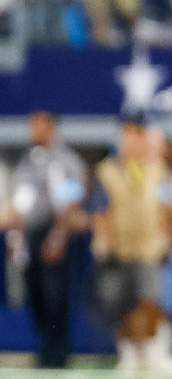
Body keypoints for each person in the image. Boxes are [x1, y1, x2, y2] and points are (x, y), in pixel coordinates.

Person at [91, 113, 172, 376]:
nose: (128, 142)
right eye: (125, 137)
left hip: (150, 246)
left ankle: (154, 351)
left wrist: (168, 237)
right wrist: (103, 241)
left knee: (151, 300)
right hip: (118, 246)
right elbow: (100, 210)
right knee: (121, 303)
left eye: (133, 136)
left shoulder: (158, 170)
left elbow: (167, 208)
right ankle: (128, 353)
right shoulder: (107, 170)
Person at [5, 111, 87, 368]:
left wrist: (59, 236)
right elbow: (21, 203)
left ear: (51, 127)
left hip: (55, 230)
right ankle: (45, 348)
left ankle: (58, 354)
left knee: (56, 296)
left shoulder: (67, 160)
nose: (32, 130)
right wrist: (16, 234)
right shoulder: (28, 161)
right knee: (35, 293)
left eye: (37, 125)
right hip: (32, 232)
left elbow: (70, 203)